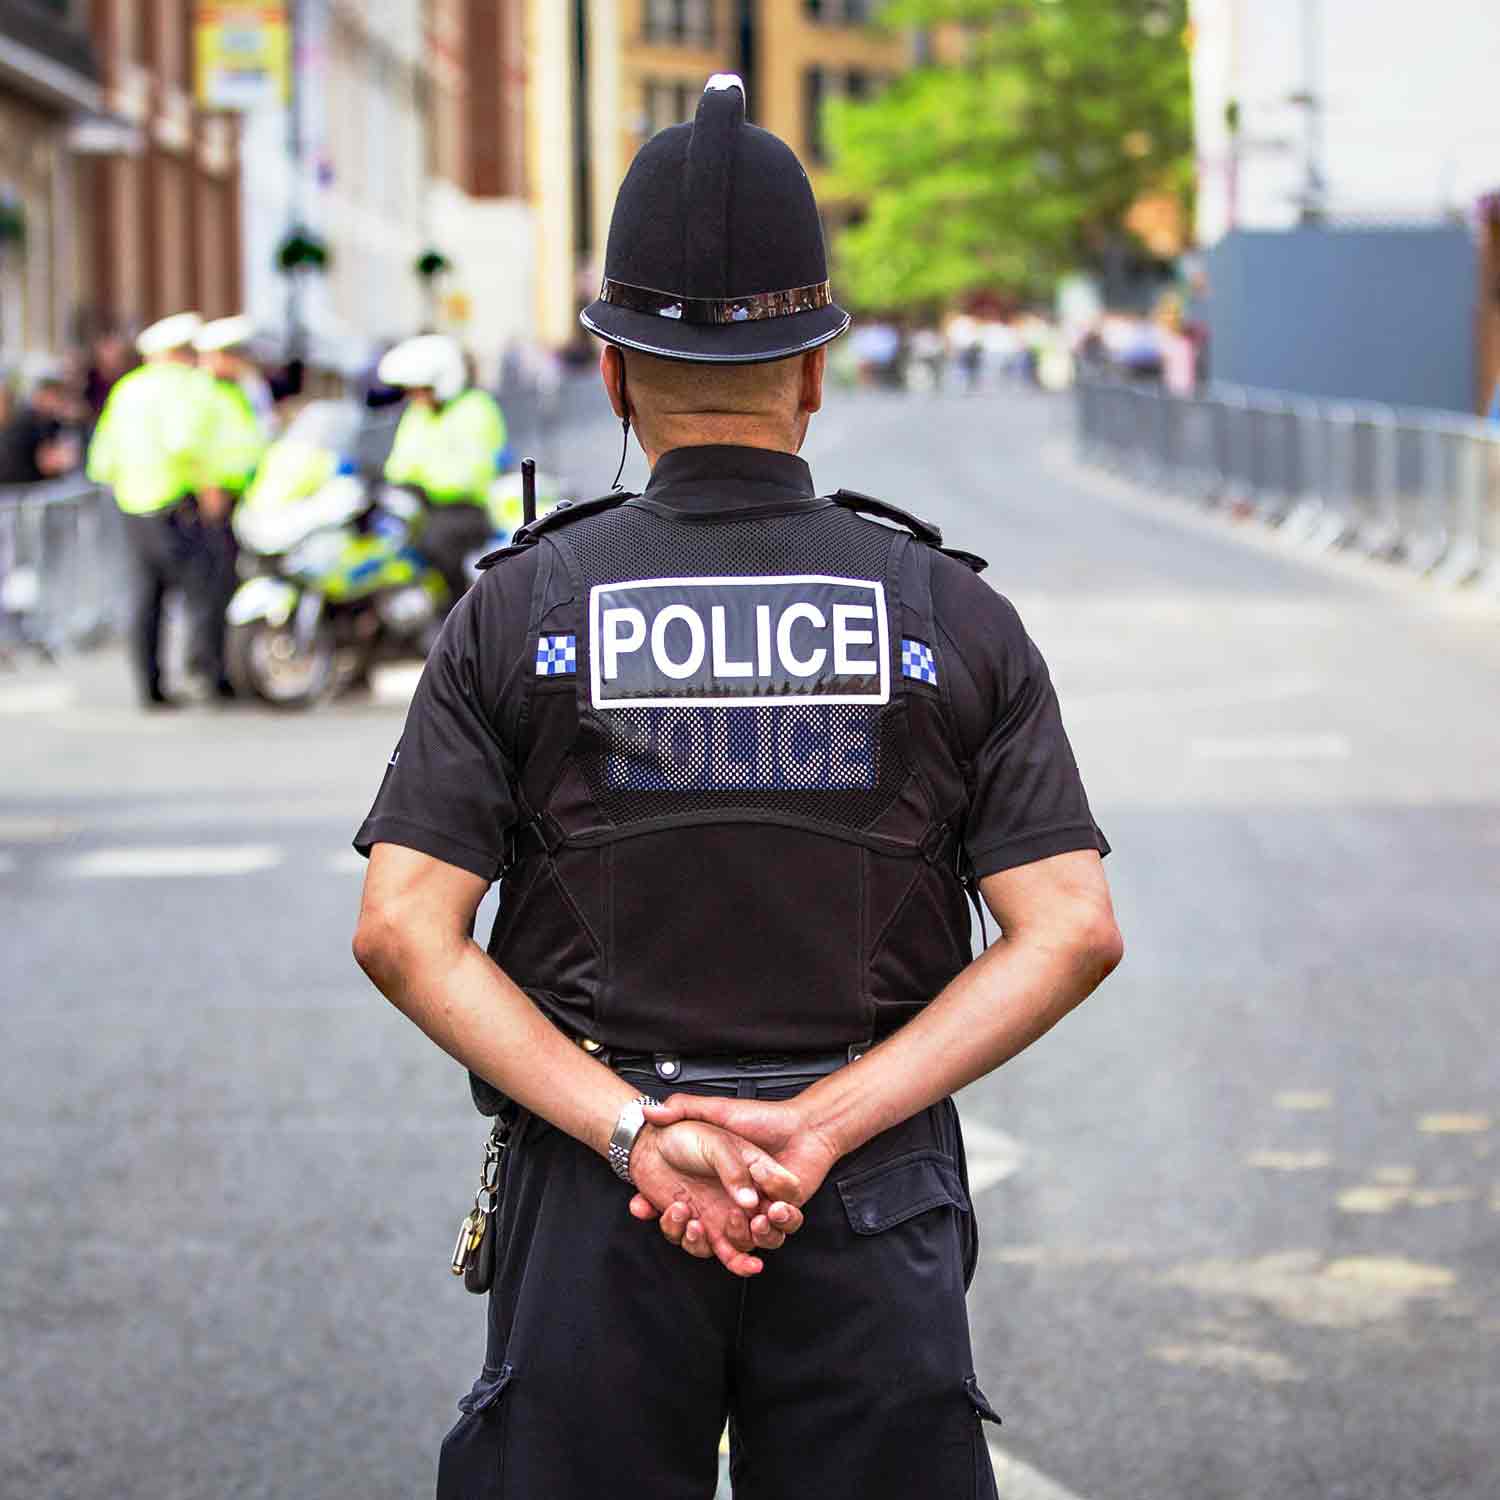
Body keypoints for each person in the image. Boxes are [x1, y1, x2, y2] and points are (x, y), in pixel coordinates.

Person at [351, 75, 1121, 1499]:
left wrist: (642, 1133)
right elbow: (1071, 925)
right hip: (866, 1184)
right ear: (817, 371)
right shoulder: (948, 611)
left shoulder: (523, 609)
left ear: (611, 371)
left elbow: (404, 926)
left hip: (599, 1185)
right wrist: (825, 1124)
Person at [86, 311, 217, 707]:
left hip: (132, 506)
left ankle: (150, 685)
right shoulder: (186, 387)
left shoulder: (126, 389)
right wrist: (206, 486)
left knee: (146, 598)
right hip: (175, 504)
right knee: (203, 588)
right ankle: (205, 671)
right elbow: (185, 443)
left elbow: (102, 460)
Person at [376, 333, 506, 608]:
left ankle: (455, 611)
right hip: (421, 507)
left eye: (420, 388)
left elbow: (472, 474)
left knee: (436, 541)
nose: (414, 396)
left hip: (465, 510)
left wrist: (423, 481)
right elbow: (398, 465)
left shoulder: (477, 409)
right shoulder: (417, 414)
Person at [192, 315, 270, 698]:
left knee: (227, 583)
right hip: (215, 499)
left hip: (238, 498)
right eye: (234, 354)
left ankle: (223, 668)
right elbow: (193, 445)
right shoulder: (202, 392)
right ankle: (211, 671)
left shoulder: (234, 390)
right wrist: (208, 486)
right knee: (213, 588)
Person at [0, 374, 82, 484]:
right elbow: (45, 462)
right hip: (19, 491)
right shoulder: (24, 424)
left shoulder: (53, 423)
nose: (54, 403)